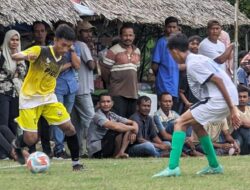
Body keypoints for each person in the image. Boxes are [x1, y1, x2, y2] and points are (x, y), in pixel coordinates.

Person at [153, 33, 240, 177]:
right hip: (225, 97)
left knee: (180, 122)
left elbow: (218, 80)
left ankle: (173, 167)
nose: (171, 57)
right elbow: (219, 60)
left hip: (220, 99)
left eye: (170, 53)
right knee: (197, 125)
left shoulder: (193, 63)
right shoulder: (198, 58)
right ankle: (214, 165)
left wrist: (232, 108)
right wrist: (229, 48)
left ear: (174, 51)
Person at [11, 24, 83, 171]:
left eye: (68, 46)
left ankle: (76, 164)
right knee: (32, 138)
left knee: (69, 128)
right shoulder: (40, 50)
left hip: (49, 98)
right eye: (63, 45)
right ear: (55, 40)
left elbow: (58, 69)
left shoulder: (62, 58)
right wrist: (24, 55)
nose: (65, 49)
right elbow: (16, 56)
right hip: (30, 99)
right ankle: (16, 146)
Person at [51, 24, 81, 159]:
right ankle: (58, 148)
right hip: (57, 86)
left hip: (71, 86)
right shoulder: (51, 49)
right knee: (59, 118)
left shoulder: (73, 48)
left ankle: (64, 148)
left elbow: (78, 65)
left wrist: (73, 51)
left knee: (67, 117)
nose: (67, 47)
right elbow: (55, 69)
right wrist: (69, 65)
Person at [101, 23, 141, 118]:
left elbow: (136, 70)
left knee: (131, 120)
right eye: (125, 35)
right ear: (120, 36)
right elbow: (105, 70)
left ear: (134, 36)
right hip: (117, 93)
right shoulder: (113, 50)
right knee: (118, 120)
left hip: (133, 93)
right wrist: (111, 83)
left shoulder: (137, 51)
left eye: (130, 35)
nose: (128, 38)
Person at [71, 21, 96, 158]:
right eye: (86, 31)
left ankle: (79, 151)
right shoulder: (82, 45)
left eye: (90, 32)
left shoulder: (73, 45)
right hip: (83, 89)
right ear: (79, 33)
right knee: (91, 120)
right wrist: (92, 52)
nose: (89, 34)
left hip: (74, 89)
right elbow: (92, 65)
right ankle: (93, 149)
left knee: (77, 124)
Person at [87, 93, 138, 158]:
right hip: (96, 150)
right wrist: (133, 128)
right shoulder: (97, 116)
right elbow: (115, 127)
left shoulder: (112, 114)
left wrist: (133, 131)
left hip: (106, 145)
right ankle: (116, 155)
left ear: (112, 103)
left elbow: (132, 122)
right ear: (99, 104)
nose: (106, 104)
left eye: (108, 101)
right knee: (118, 129)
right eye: (103, 102)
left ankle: (120, 153)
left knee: (126, 127)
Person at [151, 16, 185, 111]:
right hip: (163, 82)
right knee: (163, 110)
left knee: (173, 112)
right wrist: (159, 76)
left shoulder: (179, 43)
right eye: (169, 27)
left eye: (174, 27)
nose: (172, 29)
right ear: (165, 28)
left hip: (175, 83)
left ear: (178, 28)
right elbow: (155, 65)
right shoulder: (161, 42)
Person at [231, 86, 250, 154]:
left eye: (244, 97)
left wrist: (244, 123)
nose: (242, 99)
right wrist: (244, 123)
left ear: (248, 99)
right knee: (242, 129)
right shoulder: (233, 109)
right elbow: (240, 122)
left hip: (243, 137)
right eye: (240, 97)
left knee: (246, 130)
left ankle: (236, 149)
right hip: (232, 134)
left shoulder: (249, 108)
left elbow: (244, 123)